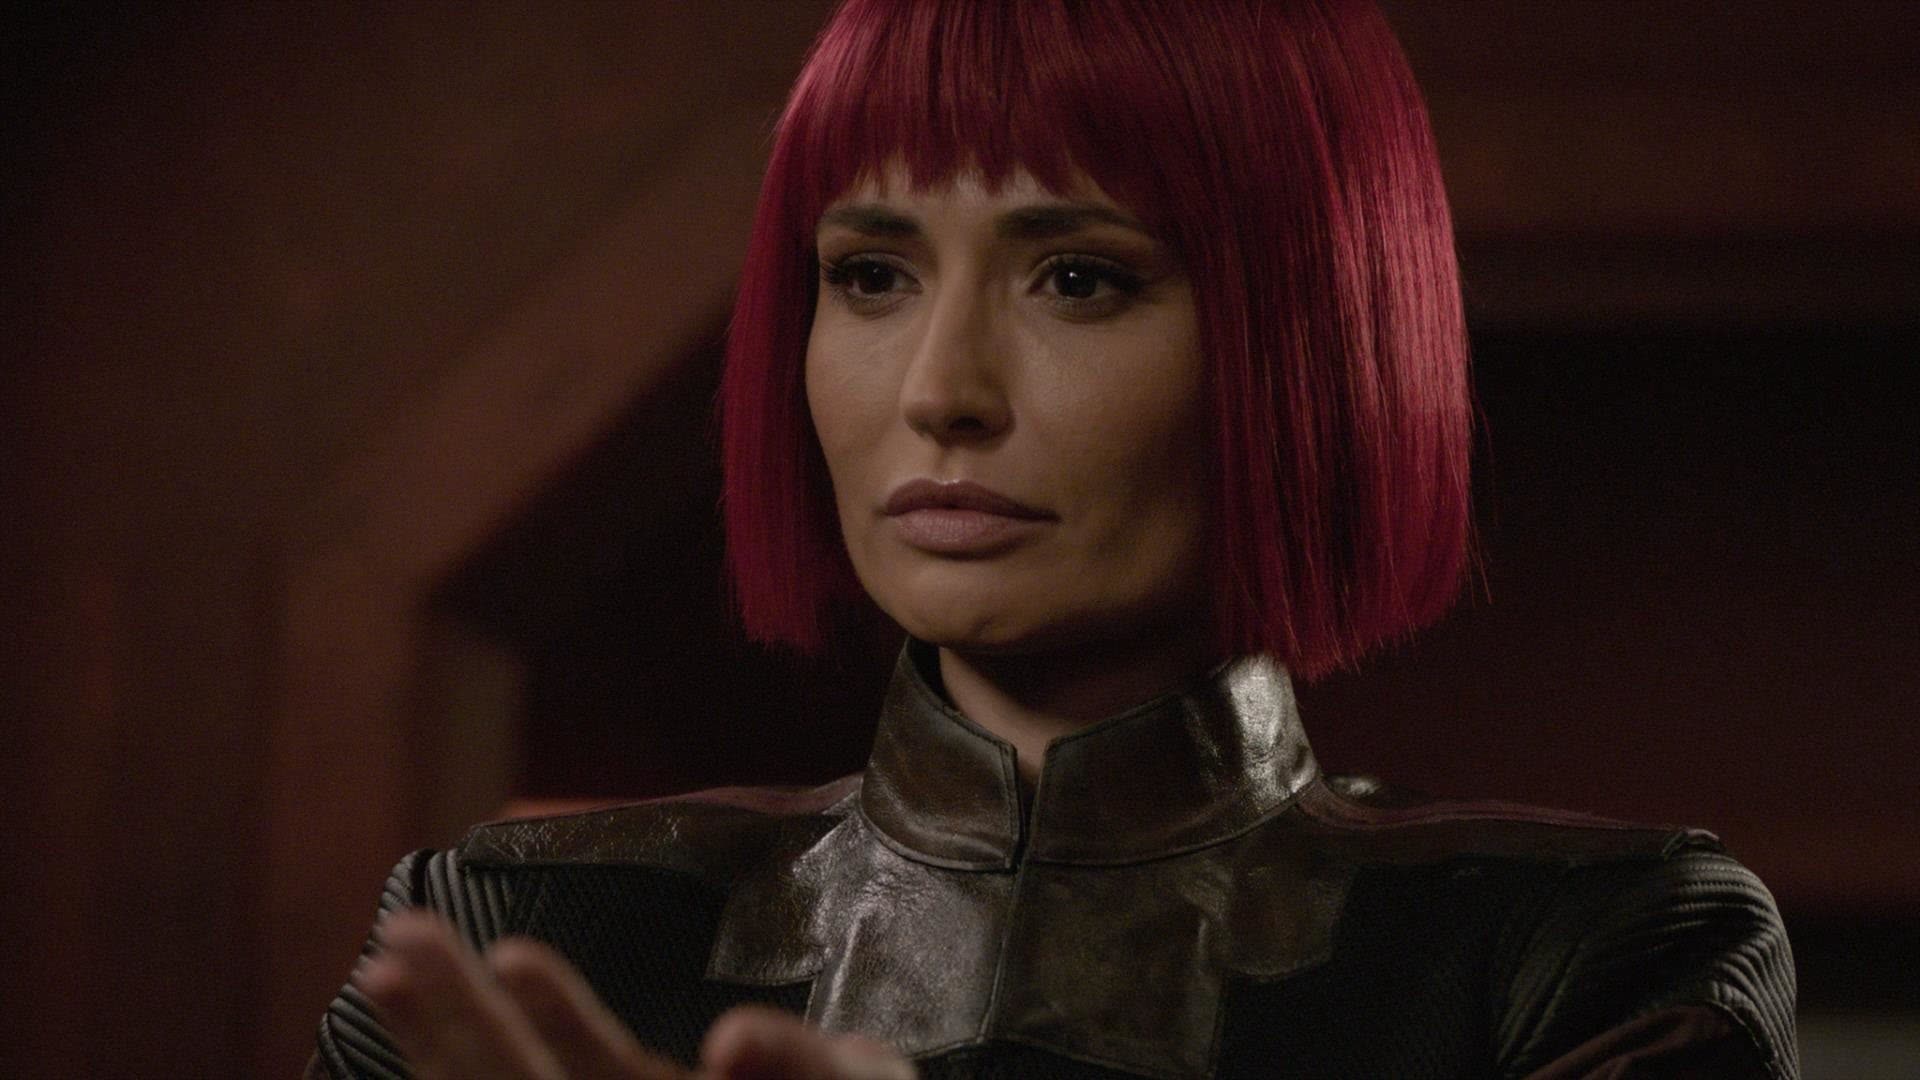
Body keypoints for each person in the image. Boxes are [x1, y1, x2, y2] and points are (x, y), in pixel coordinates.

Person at [311, 1, 1797, 1077]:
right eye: (872, 273)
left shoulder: (1588, 953)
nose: (939, 390)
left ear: (1315, 345)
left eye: (1078, 277)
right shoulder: (516, 928)